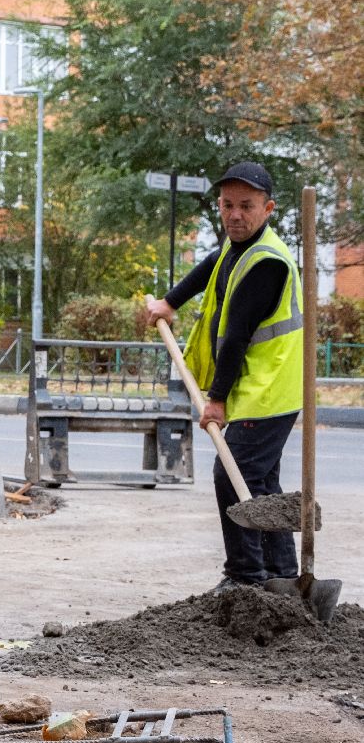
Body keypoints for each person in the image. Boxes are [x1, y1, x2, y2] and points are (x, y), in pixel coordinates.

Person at [140, 161, 303, 592]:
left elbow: (235, 337)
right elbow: (210, 264)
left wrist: (217, 398)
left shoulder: (267, 262)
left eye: (246, 206)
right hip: (269, 390)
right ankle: (283, 576)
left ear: (267, 208)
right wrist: (170, 302)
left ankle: (245, 578)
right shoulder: (238, 248)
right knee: (260, 480)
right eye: (228, 205)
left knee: (229, 475)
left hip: (265, 391)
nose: (235, 214)